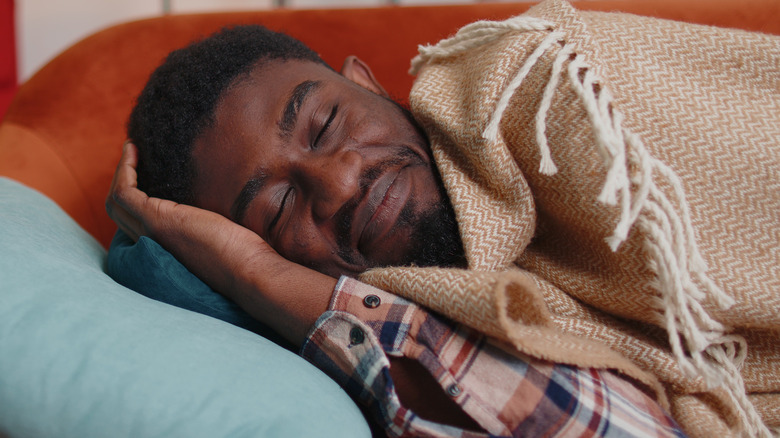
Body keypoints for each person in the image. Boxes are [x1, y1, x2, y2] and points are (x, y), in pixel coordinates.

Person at [107, 0, 779, 436]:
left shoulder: (544, 94)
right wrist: (254, 274)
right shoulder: (400, 338)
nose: (340, 182)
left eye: (327, 122)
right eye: (279, 207)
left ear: (366, 82)